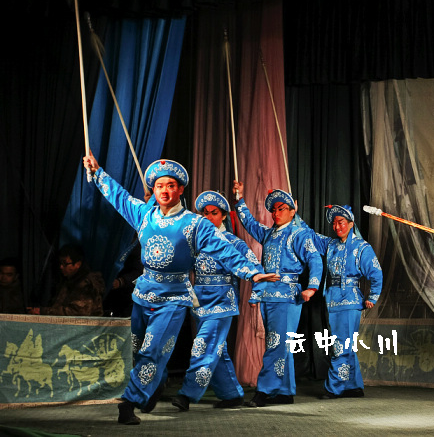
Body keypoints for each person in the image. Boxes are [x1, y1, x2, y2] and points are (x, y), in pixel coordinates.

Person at [82, 155, 279, 425]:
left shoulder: (195, 224)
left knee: (153, 350)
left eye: (171, 185)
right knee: (138, 350)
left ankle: (129, 402)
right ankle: (155, 384)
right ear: (154, 190)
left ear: (181, 189)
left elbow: (225, 250)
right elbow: (119, 197)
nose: (164, 191)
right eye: (159, 186)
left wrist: (252, 272)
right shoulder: (144, 214)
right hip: (143, 294)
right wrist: (98, 173)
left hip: (173, 298)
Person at [232, 183, 323, 407]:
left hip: (287, 297)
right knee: (281, 345)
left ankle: (264, 390)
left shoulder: (299, 234)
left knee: (276, 344)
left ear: (293, 211)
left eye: (281, 208)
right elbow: (250, 224)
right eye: (273, 210)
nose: (276, 213)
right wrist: (239, 200)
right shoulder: (269, 234)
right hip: (268, 295)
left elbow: (315, 259)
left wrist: (312, 287)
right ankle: (285, 391)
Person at [171, 191, 260, 411]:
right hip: (200, 302)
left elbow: (255, 267)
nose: (209, 217)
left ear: (223, 216)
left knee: (203, 345)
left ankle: (187, 394)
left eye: (214, 213)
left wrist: (256, 293)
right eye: (205, 213)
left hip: (222, 302)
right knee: (216, 349)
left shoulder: (233, 242)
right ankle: (232, 394)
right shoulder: (196, 242)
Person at [312, 205, 382, 399]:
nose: (337, 227)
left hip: (350, 301)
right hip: (333, 300)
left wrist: (372, 296)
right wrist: (295, 215)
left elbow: (376, 273)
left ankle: (334, 387)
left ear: (351, 224)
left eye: (341, 222)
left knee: (340, 345)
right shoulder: (331, 245)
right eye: (334, 223)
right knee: (345, 344)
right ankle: (353, 386)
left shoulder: (361, 247)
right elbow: (311, 236)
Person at [27, 245, 104, 317]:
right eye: (60, 263)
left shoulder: (86, 284)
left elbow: (78, 312)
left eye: (65, 264)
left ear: (77, 264)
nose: (61, 267)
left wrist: (43, 311)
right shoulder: (67, 280)